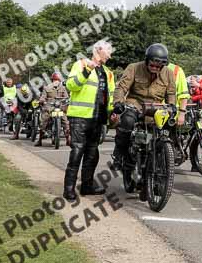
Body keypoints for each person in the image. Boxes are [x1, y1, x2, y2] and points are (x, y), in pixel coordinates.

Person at [111, 43, 177, 198]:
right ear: (147, 60)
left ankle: (164, 163)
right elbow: (121, 88)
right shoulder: (134, 67)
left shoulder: (168, 74)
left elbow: (171, 93)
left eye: (159, 64)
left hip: (156, 107)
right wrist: (119, 103)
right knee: (126, 122)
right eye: (153, 63)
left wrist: (173, 106)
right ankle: (119, 154)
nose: (155, 66)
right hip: (135, 104)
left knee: (168, 129)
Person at [64, 40, 115, 201]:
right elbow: (71, 85)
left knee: (92, 154)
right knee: (77, 152)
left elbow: (110, 95)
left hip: (99, 119)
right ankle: (69, 189)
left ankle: (87, 186)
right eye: (109, 51)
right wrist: (87, 71)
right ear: (99, 49)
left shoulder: (108, 72)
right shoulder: (80, 64)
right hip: (80, 116)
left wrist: (112, 112)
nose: (110, 54)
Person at [35, 72, 70, 147]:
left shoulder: (63, 88)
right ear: (52, 80)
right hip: (49, 108)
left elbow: (66, 97)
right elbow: (43, 96)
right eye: (55, 80)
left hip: (60, 108)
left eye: (57, 80)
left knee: (66, 123)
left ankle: (68, 139)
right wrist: (42, 100)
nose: (56, 82)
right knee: (43, 122)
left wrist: (67, 101)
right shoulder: (47, 87)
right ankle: (40, 140)